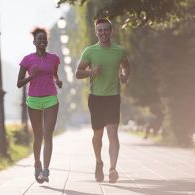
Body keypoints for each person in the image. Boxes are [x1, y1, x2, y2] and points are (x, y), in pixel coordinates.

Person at [75, 18, 131, 183]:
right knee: (97, 135)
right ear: (96, 32)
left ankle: (113, 168)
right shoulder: (90, 51)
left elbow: (127, 66)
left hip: (113, 97)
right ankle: (99, 162)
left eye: (106, 30)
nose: (103, 33)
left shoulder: (119, 51)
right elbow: (78, 73)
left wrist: (124, 75)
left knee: (113, 133)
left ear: (111, 31)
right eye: (100, 30)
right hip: (96, 98)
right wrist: (91, 72)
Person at [17, 27, 62, 183]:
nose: (42, 41)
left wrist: (57, 81)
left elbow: (54, 74)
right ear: (34, 42)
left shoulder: (54, 58)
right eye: (39, 39)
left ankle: (46, 170)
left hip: (50, 98)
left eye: (44, 39)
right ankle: (37, 164)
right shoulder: (27, 60)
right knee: (38, 136)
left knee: (48, 134)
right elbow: (19, 83)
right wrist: (32, 77)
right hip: (34, 100)